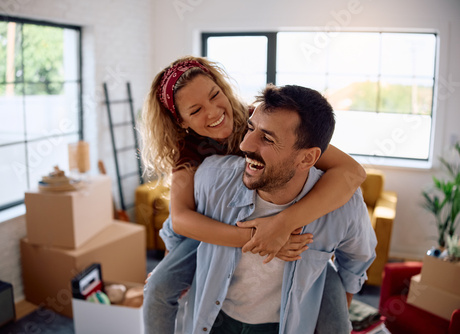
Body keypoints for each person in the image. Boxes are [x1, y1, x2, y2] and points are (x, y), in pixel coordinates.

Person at [140, 56, 367, 333]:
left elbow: (353, 172)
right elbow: (182, 220)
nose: (213, 112)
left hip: (290, 232)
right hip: (212, 231)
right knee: (159, 286)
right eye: (196, 110)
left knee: (334, 313)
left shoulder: (259, 119)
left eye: (215, 95)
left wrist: (282, 226)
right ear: (182, 122)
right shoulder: (188, 152)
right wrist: (258, 238)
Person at [185, 84, 377, 333]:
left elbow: (356, 261)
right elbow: (180, 230)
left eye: (267, 138)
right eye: (250, 129)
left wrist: (333, 320)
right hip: (214, 319)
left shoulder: (344, 206)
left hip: (285, 325)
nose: (244, 145)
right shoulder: (212, 178)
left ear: (307, 158)